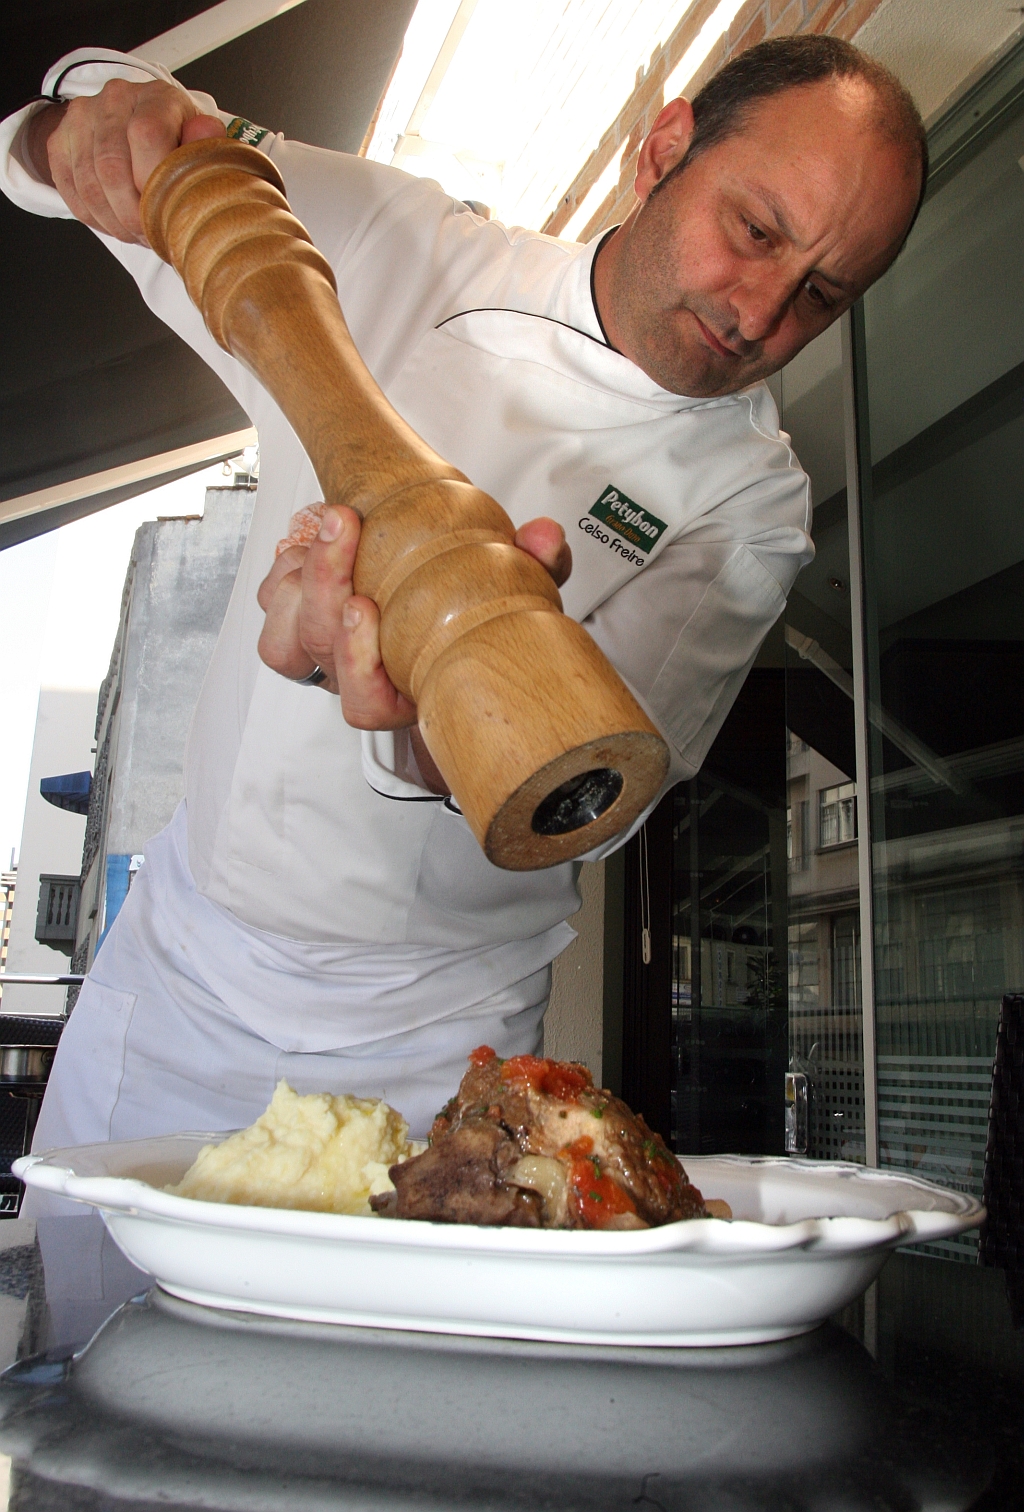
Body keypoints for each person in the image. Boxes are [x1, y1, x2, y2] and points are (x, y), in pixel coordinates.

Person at [0, 36, 925, 1169]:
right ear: (664, 149)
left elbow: (591, 794)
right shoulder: (403, 244)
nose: (759, 312)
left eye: (820, 294)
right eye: (754, 231)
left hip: (433, 1032)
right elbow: (139, 148)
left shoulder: (750, 502)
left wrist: (417, 696)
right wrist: (81, 124)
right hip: (186, 976)